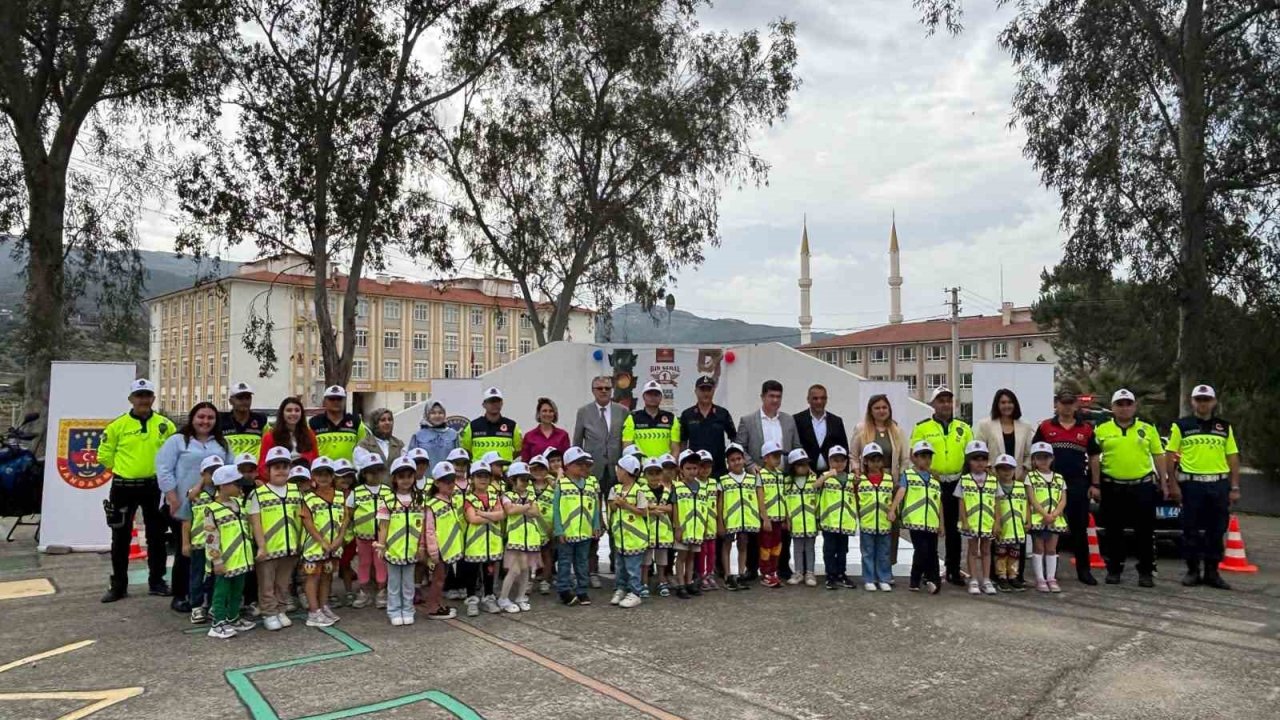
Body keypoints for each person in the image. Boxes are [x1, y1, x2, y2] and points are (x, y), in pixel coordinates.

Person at [99, 378, 176, 603]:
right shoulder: (117, 426)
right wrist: (124, 470)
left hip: (154, 487)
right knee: (120, 537)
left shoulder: (165, 425)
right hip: (124, 487)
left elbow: (172, 453)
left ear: (153, 398)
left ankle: (157, 581)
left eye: (147, 395)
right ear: (131, 399)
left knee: (157, 535)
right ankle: (119, 585)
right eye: (139, 395)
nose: (143, 399)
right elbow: (104, 455)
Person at [156, 401, 234, 614]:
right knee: (186, 552)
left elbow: (230, 469)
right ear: (192, 418)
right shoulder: (178, 441)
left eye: (210, 418)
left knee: (210, 551)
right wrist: (172, 497)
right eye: (201, 417)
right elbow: (163, 469)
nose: (205, 421)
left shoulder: (221, 443)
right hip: (182, 504)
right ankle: (181, 595)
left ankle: (205, 595)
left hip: (212, 506)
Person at [1090, 389, 1170, 588]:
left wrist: (1164, 481)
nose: (1124, 408)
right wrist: (1095, 484)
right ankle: (1114, 569)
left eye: (1128, 404)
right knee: (1113, 531)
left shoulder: (1148, 428)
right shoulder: (1101, 430)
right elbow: (1094, 459)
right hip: (1112, 487)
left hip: (1141, 487)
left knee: (1144, 531)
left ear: (1134, 407)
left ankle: (1145, 572)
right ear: (1113, 407)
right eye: (1120, 404)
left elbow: (1158, 455)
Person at [1168, 384, 1241, 590]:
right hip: (1191, 485)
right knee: (1189, 529)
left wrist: (1234, 487)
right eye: (1199, 400)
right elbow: (1170, 455)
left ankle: (1212, 572)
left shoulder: (1224, 427)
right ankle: (1192, 571)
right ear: (1192, 402)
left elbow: (1233, 457)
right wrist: (1173, 483)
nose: (1203, 403)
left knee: (1216, 530)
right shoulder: (1181, 426)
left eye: (1206, 399)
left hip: (1218, 485)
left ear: (1214, 402)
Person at [1031, 389, 1100, 585]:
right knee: (1049, 528)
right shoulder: (1045, 427)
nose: (1067, 407)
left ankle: (1084, 571)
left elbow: (1094, 457)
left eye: (1071, 403)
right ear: (1057, 404)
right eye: (1064, 403)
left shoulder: (1086, 428)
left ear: (1076, 405)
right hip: (1049, 484)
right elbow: (1035, 454)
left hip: (1078, 483)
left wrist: (1095, 484)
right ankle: (1048, 573)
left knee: (1079, 528)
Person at [909, 387, 974, 586]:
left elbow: (970, 454)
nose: (945, 404)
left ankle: (953, 569)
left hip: (956, 482)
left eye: (948, 400)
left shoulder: (963, 427)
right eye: (941, 400)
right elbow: (914, 454)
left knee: (955, 530)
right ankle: (930, 571)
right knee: (931, 529)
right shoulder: (922, 427)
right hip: (932, 483)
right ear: (933, 404)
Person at [736, 380, 799, 581]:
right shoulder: (748, 420)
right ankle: (753, 567)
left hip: (782, 481)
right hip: (759, 480)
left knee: (782, 529)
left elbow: (796, 446)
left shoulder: (789, 420)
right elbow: (739, 447)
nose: (775, 400)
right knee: (759, 527)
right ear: (762, 396)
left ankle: (781, 566)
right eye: (771, 396)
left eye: (778, 396)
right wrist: (751, 465)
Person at [977, 389, 1035, 588]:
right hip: (994, 480)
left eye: (1010, 402)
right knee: (998, 527)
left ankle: (1016, 575)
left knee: (1017, 527)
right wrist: (989, 472)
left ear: (1015, 404)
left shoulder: (1025, 427)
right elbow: (980, 450)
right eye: (1002, 402)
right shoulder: (986, 425)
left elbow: (1029, 454)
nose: (1006, 406)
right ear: (997, 405)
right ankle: (997, 574)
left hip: (1017, 480)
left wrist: (1023, 471)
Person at [851, 394, 911, 570]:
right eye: (877, 408)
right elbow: (853, 455)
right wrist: (857, 472)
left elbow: (904, 458)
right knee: (869, 525)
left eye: (884, 407)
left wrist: (901, 481)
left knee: (890, 527)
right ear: (870, 410)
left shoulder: (897, 430)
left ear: (889, 409)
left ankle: (887, 566)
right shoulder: (861, 429)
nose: (881, 411)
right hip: (868, 483)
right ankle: (870, 567)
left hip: (890, 483)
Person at [248, 446, 304, 630]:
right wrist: (261, 546)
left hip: (290, 547)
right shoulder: (258, 494)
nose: (281, 470)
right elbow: (255, 521)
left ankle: (280, 609)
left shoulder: (296, 491)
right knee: (266, 583)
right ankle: (269, 612)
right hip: (269, 548)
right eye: (276, 467)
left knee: (283, 582)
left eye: (284, 466)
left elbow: (303, 519)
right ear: (268, 470)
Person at [204, 465, 259, 639]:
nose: (240, 488)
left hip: (241, 558)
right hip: (225, 560)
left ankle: (233, 617)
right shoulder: (211, 509)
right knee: (221, 592)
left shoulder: (237, 503)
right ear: (223, 485)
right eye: (236, 484)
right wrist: (217, 560)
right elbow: (211, 537)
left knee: (237, 591)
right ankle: (218, 622)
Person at [375, 456, 429, 626]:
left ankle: (407, 609)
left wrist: (421, 546)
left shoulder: (420, 499)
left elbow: (423, 525)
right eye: (401, 477)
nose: (405, 480)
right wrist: (382, 545)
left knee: (408, 583)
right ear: (394, 479)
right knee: (394, 583)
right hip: (394, 549)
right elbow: (383, 525)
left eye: (409, 476)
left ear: (414, 477)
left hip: (412, 549)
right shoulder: (388, 500)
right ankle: (393, 610)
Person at [299, 457, 346, 626]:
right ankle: (314, 611)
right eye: (319, 474)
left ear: (333, 476)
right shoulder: (309, 498)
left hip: (334, 546)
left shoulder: (340, 496)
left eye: (327, 473)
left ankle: (324, 605)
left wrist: (339, 539)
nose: (323, 477)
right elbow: (308, 523)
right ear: (313, 476)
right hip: (315, 546)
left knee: (328, 576)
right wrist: (322, 542)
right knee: (313, 577)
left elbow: (345, 519)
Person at [553, 447, 602, 606]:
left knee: (582, 562)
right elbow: (556, 509)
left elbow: (594, 508)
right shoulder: (561, 484)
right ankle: (564, 590)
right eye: (578, 464)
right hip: (567, 532)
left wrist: (595, 525)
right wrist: (559, 529)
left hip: (585, 532)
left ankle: (582, 590)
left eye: (585, 464)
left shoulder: (589, 485)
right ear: (567, 465)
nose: (583, 467)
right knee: (565, 562)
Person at [894, 441, 943, 594]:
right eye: (922, 456)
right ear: (914, 458)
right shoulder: (908, 475)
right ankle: (915, 579)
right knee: (921, 550)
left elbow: (938, 501)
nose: (926, 460)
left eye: (929, 456)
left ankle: (934, 579)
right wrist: (893, 508)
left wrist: (942, 523)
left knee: (933, 551)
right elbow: (901, 492)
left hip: (931, 521)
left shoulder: (934, 478)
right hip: (915, 521)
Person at [460, 461, 509, 616]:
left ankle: (488, 598)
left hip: (492, 543)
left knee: (489, 573)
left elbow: (501, 514)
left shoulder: (494, 496)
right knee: (472, 574)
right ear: (472, 478)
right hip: (475, 544)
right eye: (479, 476)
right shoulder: (468, 498)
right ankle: (472, 600)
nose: (483, 480)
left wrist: (482, 514)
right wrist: (492, 516)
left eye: (486, 476)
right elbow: (472, 519)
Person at [346, 449, 392, 609]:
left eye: (378, 471)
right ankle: (364, 591)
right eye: (371, 472)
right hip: (363, 537)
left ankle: (381, 592)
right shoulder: (356, 492)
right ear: (364, 474)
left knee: (381, 563)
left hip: (381, 538)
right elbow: (349, 514)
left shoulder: (387, 491)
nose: (375, 475)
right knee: (364, 563)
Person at [957, 441, 1002, 596]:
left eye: (983, 459)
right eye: (975, 459)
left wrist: (997, 522)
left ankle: (986, 579)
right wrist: (964, 521)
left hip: (988, 522)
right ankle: (974, 579)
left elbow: (997, 502)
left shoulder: (993, 480)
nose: (980, 462)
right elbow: (961, 502)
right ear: (969, 461)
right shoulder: (964, 480)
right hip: (972, 523)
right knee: (972, 550)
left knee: (986, 550)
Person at [499, 462, 544, 613]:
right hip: (515, 538)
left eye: (527, 480)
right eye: (522, 479)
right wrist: (526, 508)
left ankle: (520, 596)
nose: (525, 483)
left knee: (526, 570)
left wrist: (521, 508)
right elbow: (510, 510)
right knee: (515, 569)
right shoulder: (507, 495)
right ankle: (503, 598)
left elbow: (536, 512)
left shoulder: (530, 495)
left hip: (530, 537)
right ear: (512, 480)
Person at [184, 455, 224, 624]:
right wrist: (186, 542)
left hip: (220, 543)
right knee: (198, 575)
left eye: (217, 471)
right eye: (210, 472)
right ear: (203, 473)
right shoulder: (193, 495)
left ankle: (214, 605)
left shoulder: (225, 493)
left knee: (216, 575)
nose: (213, 476)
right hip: (200, 543)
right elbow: (186, 521)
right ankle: (197, 606)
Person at [607, 455, 649, 608]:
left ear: (627, 471)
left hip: (634, 537)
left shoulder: (639, 491)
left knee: (633, 568)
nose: (617, 472)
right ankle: (621, 588)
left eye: (619, 469)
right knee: (620, 567)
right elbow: (611, 506)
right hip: (620, 536)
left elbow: (643, 511)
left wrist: (626, 506)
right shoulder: (615, 489)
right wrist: (615, 504)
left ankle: (635, 592)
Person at [422, 461, 462, 620]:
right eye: (446, 481)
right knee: (437, 580)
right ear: (437, 482)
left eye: (452, 481)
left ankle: (438, 604)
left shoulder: (451, 500)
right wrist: (433, 551)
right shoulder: (432, 504)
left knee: (442, 579)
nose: (450, 484)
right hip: (438, 550)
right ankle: (433, 608)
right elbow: (429, 530)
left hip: (448, 549)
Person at [1026, 442, 1067, 593]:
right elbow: (1032, 499)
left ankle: (1051, 577)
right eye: (1039, 457)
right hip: (1039, 519)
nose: (1043, 461)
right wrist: (1044, 515)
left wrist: (1055, 514)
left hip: (1055, 520)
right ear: (1034, 460)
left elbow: (1063, 499)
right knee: (1038, 548)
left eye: (1046, 457)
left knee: (1051, 548)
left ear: (1052, 459)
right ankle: (1040, 579)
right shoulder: (1031, 477)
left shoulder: (1059, 478)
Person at [816, 446, 858, 590]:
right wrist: (828, 475)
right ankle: (830, 575)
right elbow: (815, 485)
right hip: (829, 521)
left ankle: (841, 573)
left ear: (846, 462)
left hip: (845, 522)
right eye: (835, 460)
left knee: (842, 550)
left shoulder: (850, 478)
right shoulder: (826, 476)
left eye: (842, 460)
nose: (838, 464)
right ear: (829, 461)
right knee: (829, 549)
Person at [678, 375, 737, 477]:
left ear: (713, 391)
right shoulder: (687, 414)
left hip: (719, 469)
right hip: (694, 470)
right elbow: (683, 443)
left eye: (708, 390)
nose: (706, 393)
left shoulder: (722, 413)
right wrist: (683, 465)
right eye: (702, 390)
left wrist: (732, 461)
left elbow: (734, 438)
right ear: (696, 391)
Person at [856, 443, 895, 592]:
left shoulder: (889, 480)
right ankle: (869, 578)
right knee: (867, 553)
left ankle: (884, 578)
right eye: (872, 460)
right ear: (865, 461)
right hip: (867, 523)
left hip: (884, 523)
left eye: (879, 460)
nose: (876, 463)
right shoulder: (860, 481)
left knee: (884, 553)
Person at [783, 448, 819, 587]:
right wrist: (787, 519)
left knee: (810, 548)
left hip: (810, 521)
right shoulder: (787, 482)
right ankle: (798, 572)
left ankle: (810, 572)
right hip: (796, 522)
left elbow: (818, 498)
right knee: (797, 548)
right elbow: (786, 501)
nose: (804, 467)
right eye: (801, 464)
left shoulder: (812, 479)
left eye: (806, 464)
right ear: (793, 466)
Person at [671, 450, 705, 600]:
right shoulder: (677, 487)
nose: (692, 471)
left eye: (695, 468)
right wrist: (677, 526)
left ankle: (689, 581)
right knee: (682, 556)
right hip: (684, 529)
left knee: (692, 556)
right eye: (688, 468)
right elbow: (675, 508)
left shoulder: (701, 487)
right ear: (681, 470)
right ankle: (680, 584)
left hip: (697, 529)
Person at [992, 454, 1028, 593]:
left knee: (1014, 553)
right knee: (1001, 553)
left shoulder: (1020, 487)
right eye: (1002, 469)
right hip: (1003, 527)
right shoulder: (994, 487)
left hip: (1017, 527)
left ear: (1014, 470)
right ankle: (1001, 576)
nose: (1006, 472)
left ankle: (1013, 575)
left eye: (1009, 469)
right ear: (997, 471)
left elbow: (1026, 505)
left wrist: (1028, 521)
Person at [794, 384, 848, 474]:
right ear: (808, 399)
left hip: (831, 474)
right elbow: (795, 447)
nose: (819, 401)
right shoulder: (798, 420)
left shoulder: (836, 421)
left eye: (823, 398)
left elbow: (844, 448)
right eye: (815, 398)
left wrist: (844, 473)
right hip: (806, 473)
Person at [460, 386, 523, 463]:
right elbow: (466, 450)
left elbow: (519, 450)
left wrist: (505, 461)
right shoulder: (473, 426)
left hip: (504, 472)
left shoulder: (512, 425)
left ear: (502, 403)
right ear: (484, 405)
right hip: (481, 472)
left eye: (497, 401)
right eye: (491, 401)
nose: (495, 404)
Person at [754, 441, 787, 588]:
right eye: (774, 456)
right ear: (765, 458)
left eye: (779, 456)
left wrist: (786, 517)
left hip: (779, 518)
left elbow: (784, 496)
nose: (778, 459)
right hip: (768, 518)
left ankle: (774, 570)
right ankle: (765, 572)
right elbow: (760, 498)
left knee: (777, 546)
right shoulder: (761, 475)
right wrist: (765, 518)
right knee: (765, 546)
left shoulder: (780, 475)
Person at [622, 380, 681, 460]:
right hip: (641, 470)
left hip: (664, 469)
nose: (652, 397)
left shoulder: (671, 418)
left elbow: (675, 448)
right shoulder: (633, 418)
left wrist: (670, 467)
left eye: (656, 394)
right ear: (643, 396)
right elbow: (627, 447)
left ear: (661, 397)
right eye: (649, 394)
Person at [309, 386, 367, 463]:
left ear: (344, 401)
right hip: (322, 472)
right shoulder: (314, 422)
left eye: (339, 399)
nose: (336, 402)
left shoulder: (356, 422)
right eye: (332, 399)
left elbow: (364, 447)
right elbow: (308, 450)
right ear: (325, 401)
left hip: (349, 472)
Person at [644, 457, 675, 597]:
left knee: (662, 559)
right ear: (645, 475)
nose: (654, 477)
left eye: (657, 473)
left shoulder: (667, 491)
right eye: (651, 473)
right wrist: (652, 510)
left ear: (661, 474)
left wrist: (654, 507)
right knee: (646, 560)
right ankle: (644, 582)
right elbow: (640, 508)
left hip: (663, 531)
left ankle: (662, 580)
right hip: (647, 531)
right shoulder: (641, 491)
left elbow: (670, 508)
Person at [220, 382, 270, 459]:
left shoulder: (261, 420)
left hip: (254, 468)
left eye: (247, 398)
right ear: (230, 401)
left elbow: (269, 442)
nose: (244, 401)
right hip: (229, 468)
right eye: (240, 398)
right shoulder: (221, 420)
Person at [407, 401, 461, 468]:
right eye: (433, 413)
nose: (437, 416)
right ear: (427, 415)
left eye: (440, 413)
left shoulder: (453, 435)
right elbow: (411, 461)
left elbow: (459, 459)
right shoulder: (418, 436)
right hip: (426, 477)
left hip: (448, 477)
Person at [522, 398, 571, 462]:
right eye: (544, 411)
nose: (547, 414)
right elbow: (525, 461)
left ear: (554, 414)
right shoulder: (529, 436)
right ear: (539, 413)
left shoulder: (563, 435)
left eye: (551, 411)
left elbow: (567, 460)